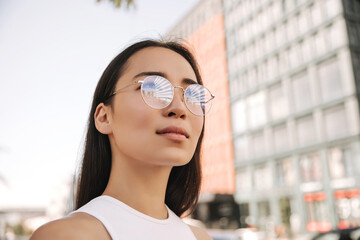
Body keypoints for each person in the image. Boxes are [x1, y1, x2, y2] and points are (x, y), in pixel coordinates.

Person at [30, 39, 215, 240]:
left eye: (193, 96)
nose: (179, 108)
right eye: (152, 88)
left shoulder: (200, 237)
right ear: (104, 117)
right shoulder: (65, 236)